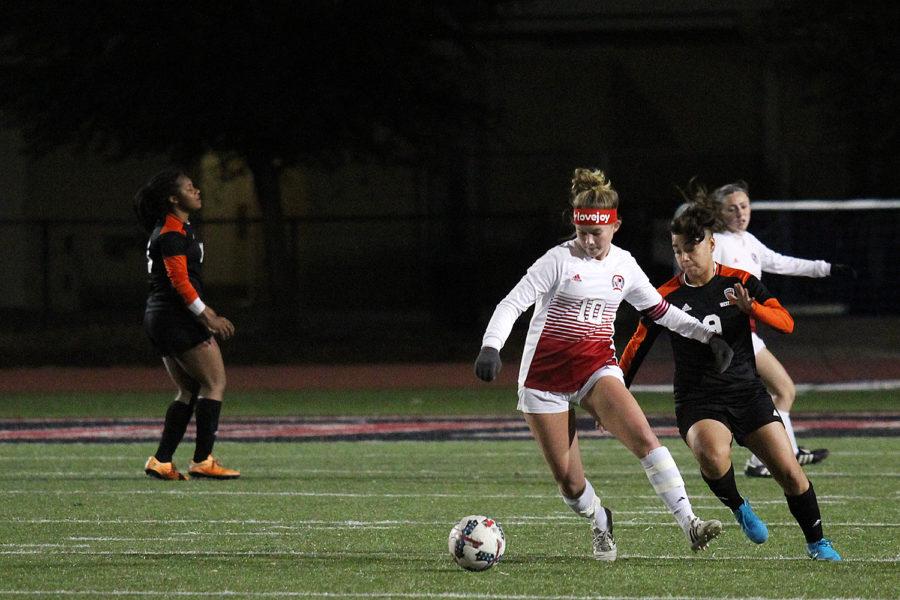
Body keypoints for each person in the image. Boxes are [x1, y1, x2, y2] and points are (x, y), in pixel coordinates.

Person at [474, 168, 733, 561]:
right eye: (583, 233)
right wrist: (492, 347)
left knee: (646, 439)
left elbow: (661, 311)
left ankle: (690, 523)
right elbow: (512, 303)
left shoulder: (624, 265)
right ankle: (599, 517)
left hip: (596, 369)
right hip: (544, 380)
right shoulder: (557, 260)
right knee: (570, 483)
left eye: (598, 233)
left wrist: (707, 335)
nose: (590, 241)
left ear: (616, 226)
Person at [620, 200, 842, 561]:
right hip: (698, 399)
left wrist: (751, 309)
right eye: (676, 250)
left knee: (790, 472)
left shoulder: (740, 282)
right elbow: (636, 347)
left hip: (747, 392)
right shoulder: (665, 296)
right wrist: (616, 390)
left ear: (710, 244)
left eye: (690, 248)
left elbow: (786, 322)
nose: (683, 258)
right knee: (711, 454)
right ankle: (739, 506)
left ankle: (818, 542)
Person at [709, 182, 855, 477]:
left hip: (745, 334)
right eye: (732, 208)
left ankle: (770, 457)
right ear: (718, 212)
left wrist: (825, 268)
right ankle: (778, 454)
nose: (740, 213)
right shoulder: (716, 243)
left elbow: (780, 262)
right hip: (730, 336)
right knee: (780, 391)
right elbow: (705, 285)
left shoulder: (747, 241)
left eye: (744, 206)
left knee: (773, 395)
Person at [134, 169, 240, 481]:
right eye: (190, 188)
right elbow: (179, 281)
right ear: (173, 198)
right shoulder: (171, 232)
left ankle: (162, 460)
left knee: (190, 389)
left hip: (161, 316)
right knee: (215, 382)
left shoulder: (175, 228)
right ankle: (203, 459)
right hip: (175, 316)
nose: (197, 191)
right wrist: (207, 315)